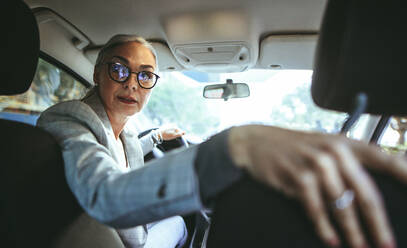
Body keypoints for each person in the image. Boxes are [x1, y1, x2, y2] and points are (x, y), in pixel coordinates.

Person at [37, 34, 407, 248]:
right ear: (98, 73)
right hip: (117, 238)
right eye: (120, 70)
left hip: (129, 232)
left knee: (180, 222)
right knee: (184, 223)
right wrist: (231, 149)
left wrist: (158, 137)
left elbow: (125, 149)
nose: (132, 83)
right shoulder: (71, 118)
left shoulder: (127, 129)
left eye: (145, 75)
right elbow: (104, 191)